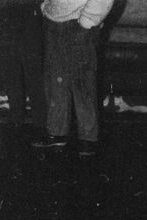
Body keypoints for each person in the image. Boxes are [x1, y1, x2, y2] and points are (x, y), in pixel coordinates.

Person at [32, 0, 114, 157]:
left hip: (78, 24)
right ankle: (57, 133)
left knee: (82, 82)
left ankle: (88, 139)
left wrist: (87, 22)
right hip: (53, 22)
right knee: (55, 80)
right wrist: (47, 6)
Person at [0, 1, 46, 138]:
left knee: (34, 75)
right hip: (7, 19)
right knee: (12, 74)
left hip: (29, 20)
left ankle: (40, 123)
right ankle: (16, 119)